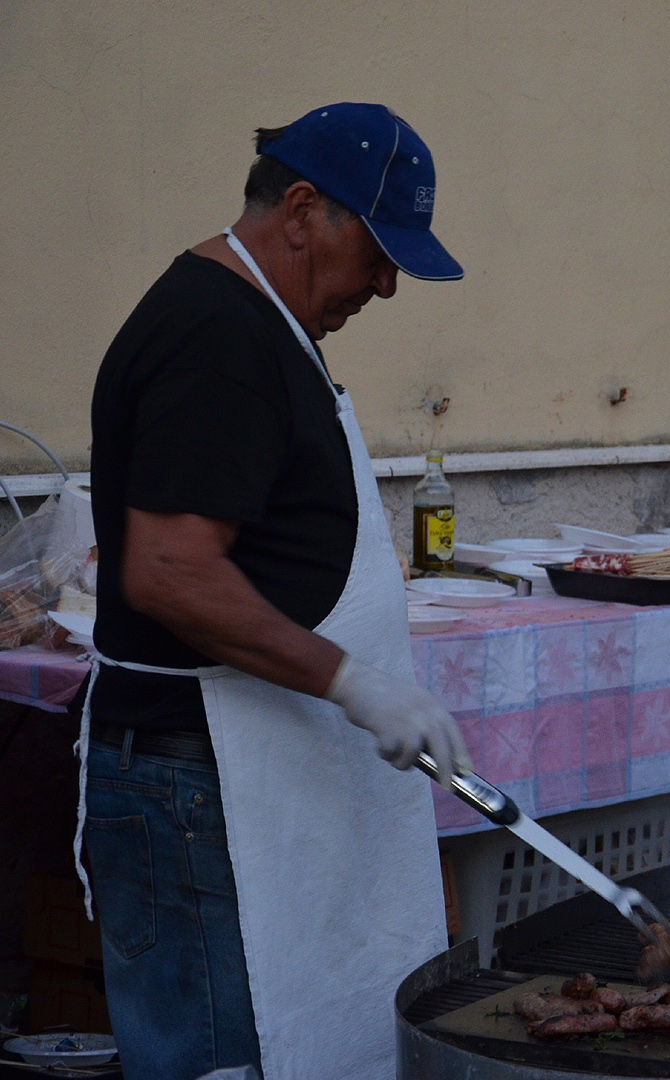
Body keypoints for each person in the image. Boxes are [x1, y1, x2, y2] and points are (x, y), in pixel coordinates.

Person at [79, 103, 472, 1080]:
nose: (385, 285)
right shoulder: (214, 332)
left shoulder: (266, 323)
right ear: (301, 211)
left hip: (227, 772)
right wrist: (355, 682)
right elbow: (170, 570)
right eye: (378, 253)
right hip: (190, 782)